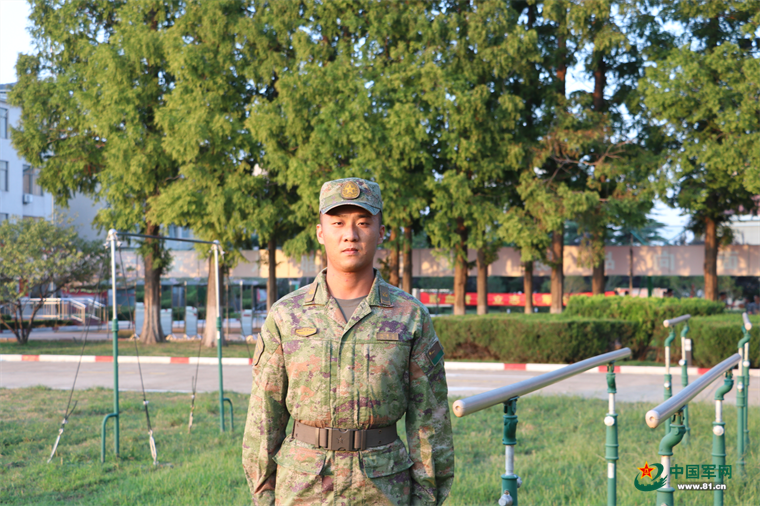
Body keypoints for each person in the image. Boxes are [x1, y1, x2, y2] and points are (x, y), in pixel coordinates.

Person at [242, 178, 454, 506]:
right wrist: (263, 496)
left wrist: (426, 498)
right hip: (302, 487)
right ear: (320, 232)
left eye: (363, 223)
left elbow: (429, 420)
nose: (350, 234)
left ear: (381, 232)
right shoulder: (287, 315)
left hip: (383, 486)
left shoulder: (409, 316)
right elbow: (264, 415)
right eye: (338, 223)